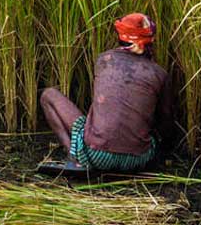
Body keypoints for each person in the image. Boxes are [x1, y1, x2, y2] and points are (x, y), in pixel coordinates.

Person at [41, 13, 173, 173]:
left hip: (97, 155)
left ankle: (74, 157)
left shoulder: (104, 60)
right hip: (138, 160)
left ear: (120, 36)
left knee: (48, 94)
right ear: (150, 40)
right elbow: (165, 122)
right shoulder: (159, 73)